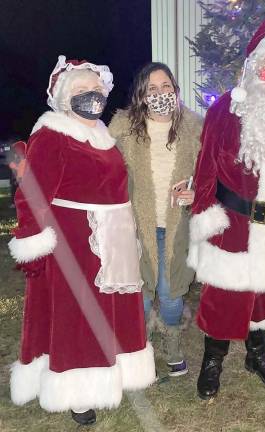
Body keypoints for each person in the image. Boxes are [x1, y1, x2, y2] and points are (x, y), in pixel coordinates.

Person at [8, 55, 155, 425]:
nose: (90, 95)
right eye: (80, 90)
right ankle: (77, 390)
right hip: (76, 243)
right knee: (80, 317)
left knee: (113, 311)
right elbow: (33, 192)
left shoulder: (102, 133)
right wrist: (31, 239)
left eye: (95, 89)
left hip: (114, 238)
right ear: (61, 97)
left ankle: (114, 370)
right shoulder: (51, 134)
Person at [187, 20, 265, 400]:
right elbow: (206, 166)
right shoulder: (227, 108)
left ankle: (257, 355)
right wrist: (205, 215)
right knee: (224, 297)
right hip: (235, 223)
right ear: (254, 67)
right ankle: (213, 361)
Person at [109, 62, 203, 377]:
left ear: (175, 90)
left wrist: (197, 194)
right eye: (152, 88)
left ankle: (173, 344)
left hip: (177, 227)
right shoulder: (122, 128)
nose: (160, 93)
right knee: (140, 295)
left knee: (170, 291)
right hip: (135, 227)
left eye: (165, 86)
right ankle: (139, 349)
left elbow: (210, 176)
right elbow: (106, 173)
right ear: (142, 95)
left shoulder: (194, 128)